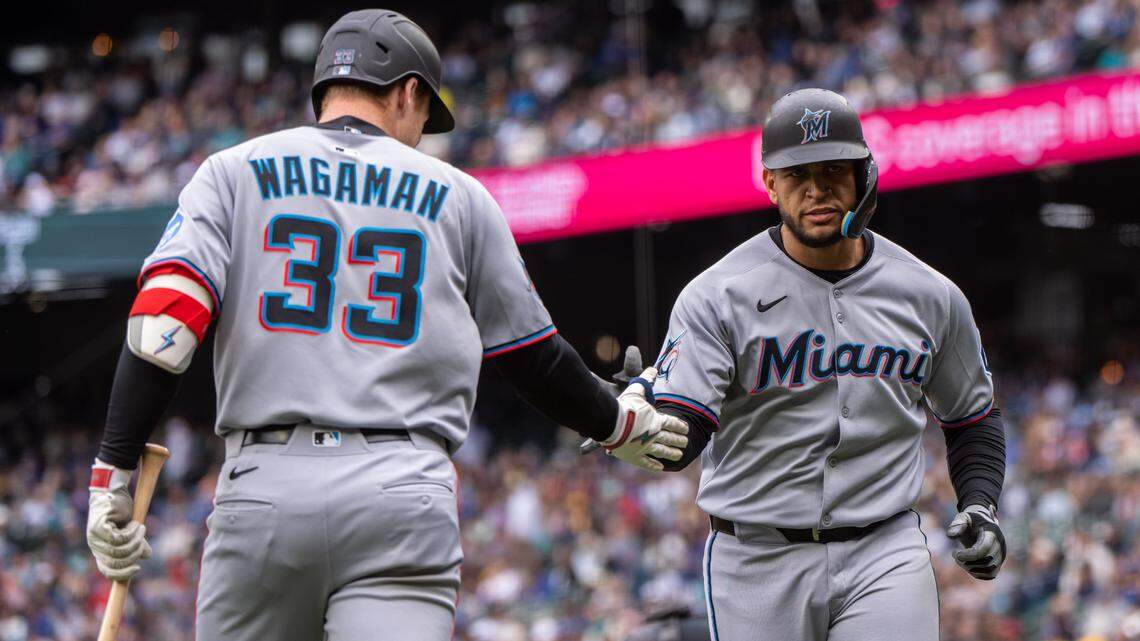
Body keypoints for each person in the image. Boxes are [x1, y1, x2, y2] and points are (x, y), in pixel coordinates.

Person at [83, 9, 687, 641]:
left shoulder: (231, 171)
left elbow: (164, 329)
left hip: (264, 489)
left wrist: (113, 471)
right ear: (408, 92)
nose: (422, 134)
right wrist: (617, 421)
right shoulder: (460, 195)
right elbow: (532, 356)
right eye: (425, 117)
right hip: (402, 492)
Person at [648, 88, 1007, 641]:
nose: (817, 189)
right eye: (796, 175)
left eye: (834, 170)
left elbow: (972, 418)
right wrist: (625, 421)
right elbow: (684, 431)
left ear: (865, 175)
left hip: (884, 551)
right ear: (770, 184)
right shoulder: (717, 295)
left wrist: (980, 504)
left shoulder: (930, 294)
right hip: (756, 558)